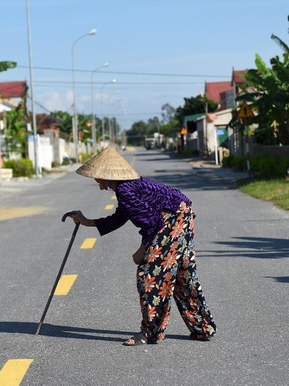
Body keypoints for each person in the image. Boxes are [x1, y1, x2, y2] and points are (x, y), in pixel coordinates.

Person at [68, 146, 217, 346]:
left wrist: (142, 251)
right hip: (182, 213)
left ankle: (150, 332)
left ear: (105, 175)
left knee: (150, 275)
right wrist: (87, 221)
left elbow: (153, 223)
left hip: (171, 219)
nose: (98, 183)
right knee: (182, 273)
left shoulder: (124, 190)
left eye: (97, 178)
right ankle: (202, 327)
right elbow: (120, 217)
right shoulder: (126, 187)